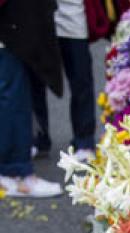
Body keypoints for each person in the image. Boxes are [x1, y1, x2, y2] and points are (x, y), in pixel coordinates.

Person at [0, 0, 63, 197]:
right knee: (13, 98)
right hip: (10, 26)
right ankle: (15, 173)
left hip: (13, 25)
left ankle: (14, 168)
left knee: (13, 95)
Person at [31, 0, 97, 162]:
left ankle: (84, 140)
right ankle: (38, 138)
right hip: (35, 14)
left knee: (81, 77)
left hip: (72, 13)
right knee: (34, 80)